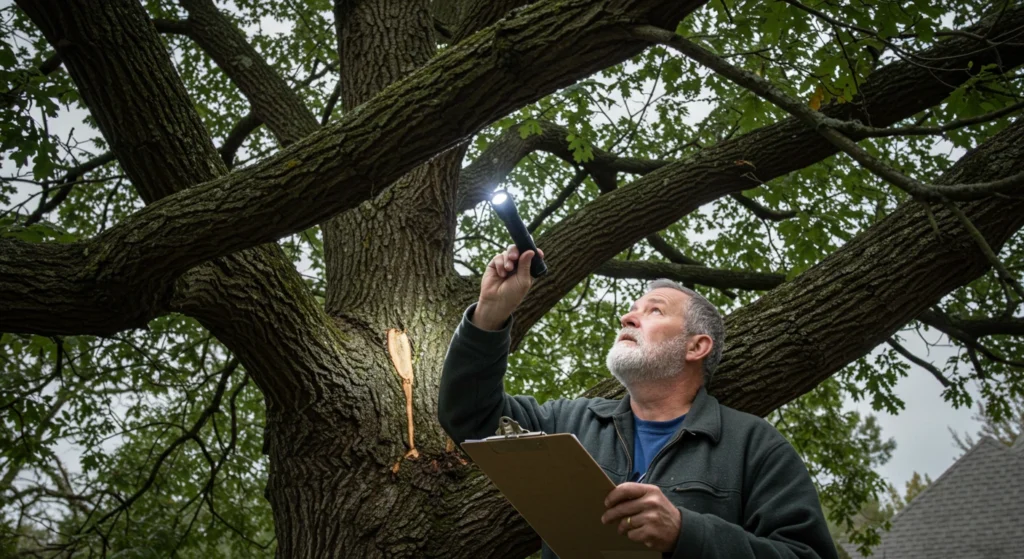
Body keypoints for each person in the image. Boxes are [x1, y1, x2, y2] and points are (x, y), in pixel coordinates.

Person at [438, 246, 838, 559]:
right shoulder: (567, 421)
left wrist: (686, 533)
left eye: (654, 311)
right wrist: (490, 312)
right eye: (631, 310)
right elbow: (471, 418)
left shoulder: (756, 447)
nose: (627, 318)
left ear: (696, 346)